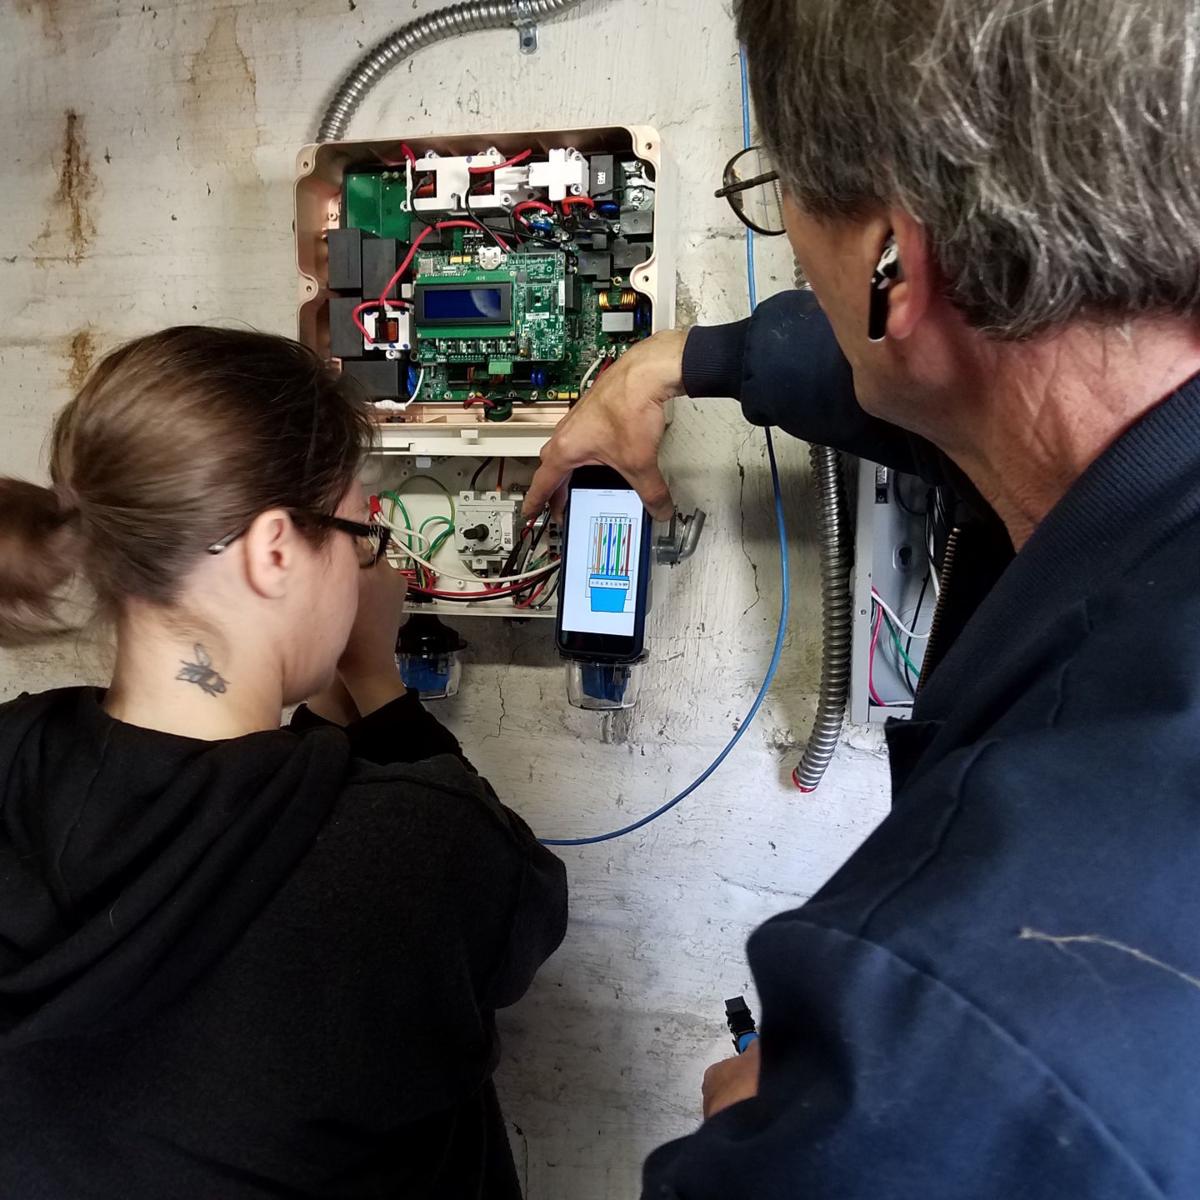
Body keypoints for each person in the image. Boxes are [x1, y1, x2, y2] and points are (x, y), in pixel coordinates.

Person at [526, 0, 1200, 1196]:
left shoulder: (936, 1032)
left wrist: (790, 1129)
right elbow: (964, 361)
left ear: (895, 263)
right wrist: (672, 360)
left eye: (774, 189)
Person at [0, 326, 567, 1199]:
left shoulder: (11, 760)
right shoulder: (417, 846)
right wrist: (376, 679)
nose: (361, 562)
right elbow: (525, 918)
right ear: (273, 550)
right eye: (352, 530)